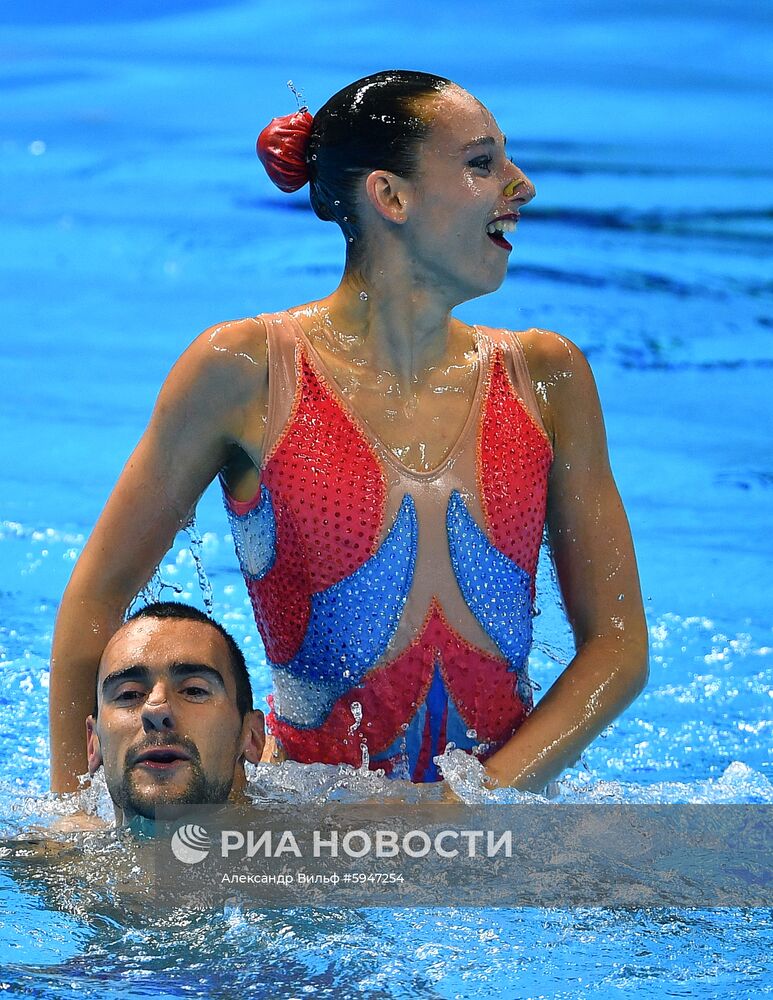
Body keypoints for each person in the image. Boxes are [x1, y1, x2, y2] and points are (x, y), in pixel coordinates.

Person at [50, 70, 648, 794]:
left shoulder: (546, 377)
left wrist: (477, 802)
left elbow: (618, 649)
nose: (519, 186)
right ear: (389, 197)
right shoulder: (248, 372)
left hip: (504, 816)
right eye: (481, 163)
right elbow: (97, 595)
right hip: (307, 824)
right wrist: (74, 806)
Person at [87, 601, 264, 824]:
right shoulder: (52, 857)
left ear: (253, 737)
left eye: (193, 690)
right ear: (93, 743)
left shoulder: (312, 846)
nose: (155, 709)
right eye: (129, 694)